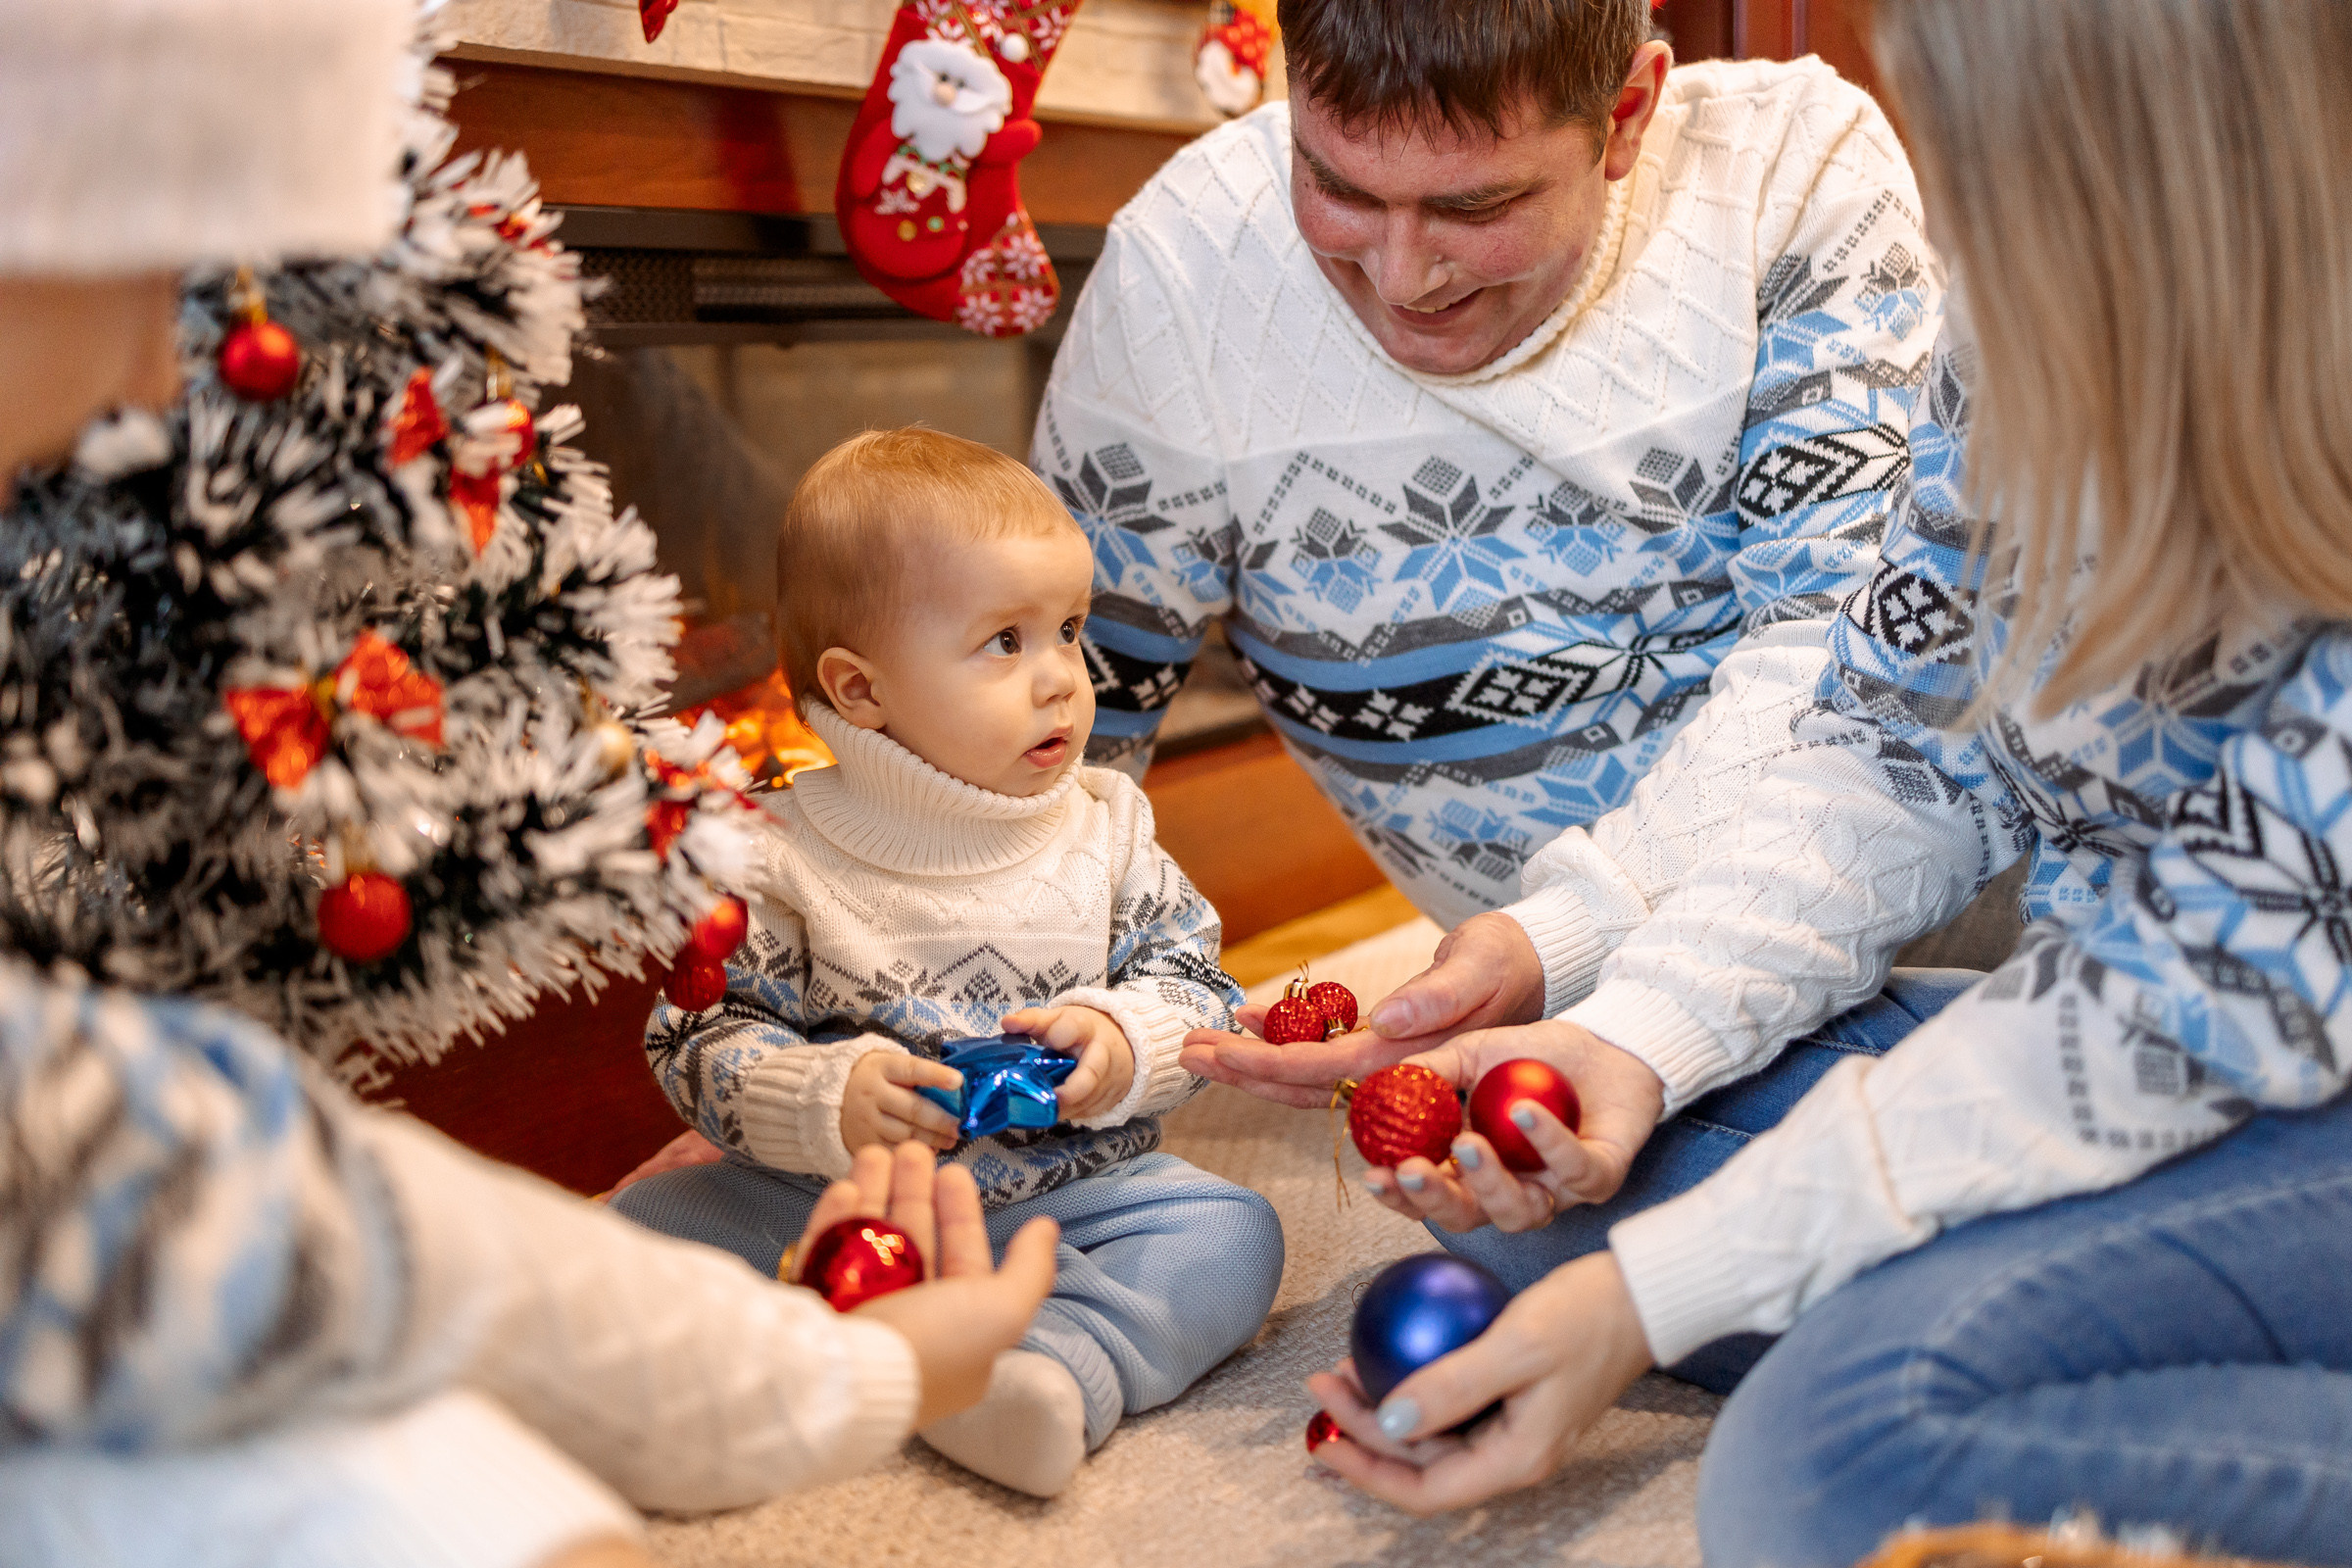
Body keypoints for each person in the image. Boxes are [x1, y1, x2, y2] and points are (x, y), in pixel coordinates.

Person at [1296, 4, 2352, 1565]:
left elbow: (2189, 989)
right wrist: (1640, 1036)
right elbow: (1897, 741)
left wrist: (1666, 1292)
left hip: (2264, 1061)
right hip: (2150, 1029)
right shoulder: (2023, 321)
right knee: (1558, 1189)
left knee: (1833, 1465)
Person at [0, 6, 1056, 1567]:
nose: (170, 361)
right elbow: (293, 1216)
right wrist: (852, 1346)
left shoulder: (1100, 818)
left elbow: (220, 1191)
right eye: (163, 262)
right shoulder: (787, 853)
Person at [1041, 0, 1940, 933]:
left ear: (1628, 114)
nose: (1401, 280)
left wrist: (1561, 944)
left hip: (1907, 944)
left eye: (1473, 206)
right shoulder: (1184, 264)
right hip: (1530, 1002)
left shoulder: (1791, 169)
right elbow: (1054, 738)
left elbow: (1846, 664)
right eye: (1339, 188)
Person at [610, 428, 1284, 1499]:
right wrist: (825, 1097)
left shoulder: (1105, 828)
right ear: (862, 691)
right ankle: (824, 1326)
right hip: (834, 1201)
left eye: (1067, 629)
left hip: (1075, 1198)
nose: (1063, 676)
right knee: (630, 1234)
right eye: (1004, 642)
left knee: (1231, 1232)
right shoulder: (775, 857)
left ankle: (1045, 1370)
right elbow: (699, 1036)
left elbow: (1197, 988)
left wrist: (1123, 1040)